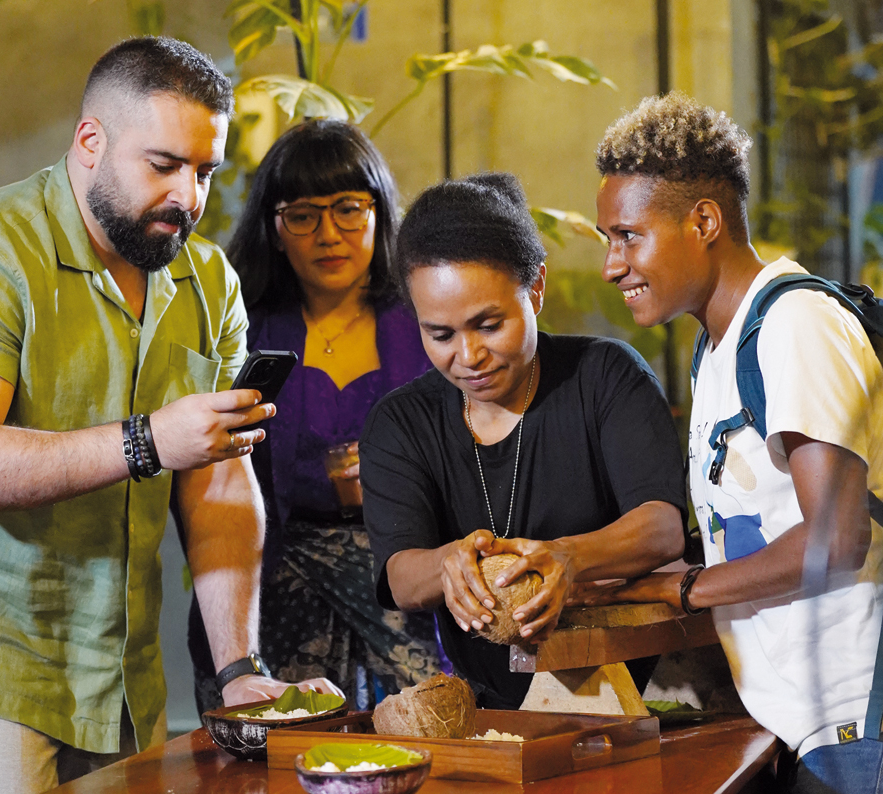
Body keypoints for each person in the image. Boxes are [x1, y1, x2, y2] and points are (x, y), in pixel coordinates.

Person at [0, 36, 336, 794]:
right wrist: (150, 440)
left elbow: (219, 479)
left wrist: (237, 669)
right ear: (90, 142)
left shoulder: (205, 278)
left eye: (206, 171)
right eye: (163, 166)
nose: (189, 197)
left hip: (124, 679)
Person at [585, 92, 883, 792]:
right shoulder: (718, 344)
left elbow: (836, 538)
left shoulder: (794, 325)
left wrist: (684, 588)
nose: (611, 264)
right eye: (608, 239)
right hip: (795, 715)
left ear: (704, 221)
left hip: (852, 715)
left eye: (628, 236)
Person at [358, 172, 688, 709]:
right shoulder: (400, 424)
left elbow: (662, 526)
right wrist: (449, 563)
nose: (467, 356)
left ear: (535, 288)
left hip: (632, 695)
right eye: (439, 335)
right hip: (486, 711)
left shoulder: (605, 376)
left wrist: (569, 557)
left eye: (488, 325)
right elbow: (400, 576)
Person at [187, 119, 444, 715]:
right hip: (274, 569)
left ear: (379, 213)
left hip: (400, 567)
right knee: (275, 744)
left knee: (434, 728)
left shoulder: (425, 320)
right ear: (274, 229)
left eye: (349, 209)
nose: (329, 234)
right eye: (302, 215)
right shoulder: (241, 327)